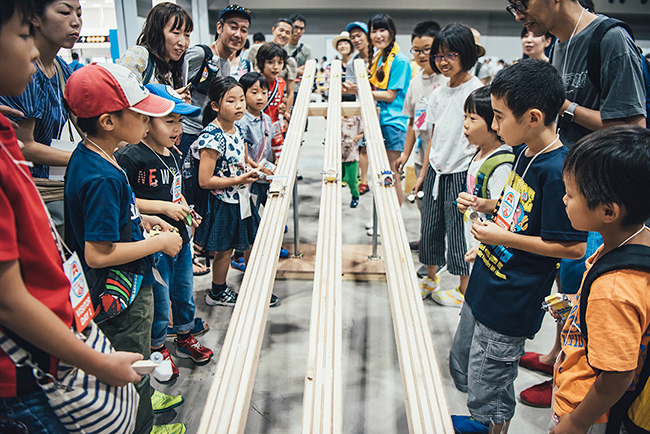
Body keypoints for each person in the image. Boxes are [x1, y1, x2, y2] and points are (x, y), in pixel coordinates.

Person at [0, 3, 142, 433]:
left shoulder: (9, 131)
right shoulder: (97, 169)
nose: (30, 51)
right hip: (30, 375)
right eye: (22, 34)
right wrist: (97, 363)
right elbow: (9, 299)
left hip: (56, 341)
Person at [509, 0, 647, 407]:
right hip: (571, 186)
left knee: (582, 285)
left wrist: (564, 107)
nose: (519, 16)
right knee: (567, 288)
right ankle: (557, 357)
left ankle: (575, 381)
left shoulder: (610, 39)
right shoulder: (561, 42)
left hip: (597, 194)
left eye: (522, 3)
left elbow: (631, 130)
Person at [448, 59, 588, 434]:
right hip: (487, 280)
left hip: (512, 299)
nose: (494, 125)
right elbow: (519, 210)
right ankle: (480, 419)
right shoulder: (525, 153)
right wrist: (484, 207)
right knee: (470, 365)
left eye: (498, 116)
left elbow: (571, 247)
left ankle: (488, 426)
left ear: (533, 117)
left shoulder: (557, 170)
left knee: (491, 380)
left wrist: (500, 239)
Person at [64, 62, 186, 434]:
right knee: (130, 358)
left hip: (126, 284)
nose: (148, 123)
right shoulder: (101, 176)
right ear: (108, 121)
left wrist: (142, 221)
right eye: (139, 115)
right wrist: (161, 243)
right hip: (120, 293)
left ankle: (145, 398)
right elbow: (97, 253)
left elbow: (109, 219)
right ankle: (143, 424)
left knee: (139, 357)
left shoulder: (95, 157)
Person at [550, 125, 650, 434]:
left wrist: (577, 423)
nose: (564, 200)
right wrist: (576, 310)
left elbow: (618, 373)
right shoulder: (633, 242)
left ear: (608, 211)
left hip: (588, 411)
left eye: (571, 194)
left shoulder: (614, 289)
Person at [115, 84, 214, 382]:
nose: (178, 128)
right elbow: (126, 198)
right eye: (169, 121)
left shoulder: (172, 152)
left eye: (180, 121)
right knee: (159, 297)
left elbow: (176, 191)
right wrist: (163, 208)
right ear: (146, 122)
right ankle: (158, 346)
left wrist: (185, 209)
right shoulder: (132, 157)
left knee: (183, 291)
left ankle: (184, 333)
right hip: (153, 243)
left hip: (180, 239)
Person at [191, 77, 278, 308]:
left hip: (242, 197)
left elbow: (245, 158)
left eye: (241, 99)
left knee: (252, 241)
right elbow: (204, 180)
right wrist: (238, 179)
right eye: (231, 101)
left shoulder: (237, 128)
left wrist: (261, 168)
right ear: (215, 106)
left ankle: (253, 285)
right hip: (224, 202)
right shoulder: (211, 138)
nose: (239, 105)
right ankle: (217, 291)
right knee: (224, 250)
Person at [411, 23, 482, 305]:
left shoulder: (477, 91)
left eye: (450, 54)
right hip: (436, 171)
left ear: (465, 54)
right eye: (439, 55)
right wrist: (423, 172)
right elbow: (433, 136)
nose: (443, 61)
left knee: (459, 231)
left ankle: (464, 288)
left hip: (462, 172)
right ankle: (430, 276)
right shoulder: (438, 93)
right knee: (429, 227)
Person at [0, 0, 82, 233]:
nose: (75, 22)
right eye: (64, 12)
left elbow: (83, 123)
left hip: (58, 187)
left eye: (79, 13)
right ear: (34, 18)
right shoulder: (23, 75)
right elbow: (25, 146)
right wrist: (87, 156)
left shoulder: (61, 68)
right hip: (37, 191)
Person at [343, 13, 411, 205]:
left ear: (392, 32)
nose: (378, 35)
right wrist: (356, 88)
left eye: (383, 30)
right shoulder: (380, 57)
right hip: (378, 119)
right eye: (375, 31)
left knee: (392, 173)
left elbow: (390, 95)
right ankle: (384, 219)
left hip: (393, 123)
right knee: (382, 173)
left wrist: (361, 89)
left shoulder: (399, 60)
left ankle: (394, 221)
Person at [395, 20, 446, 253]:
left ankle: (435, 252)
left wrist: (425, 167)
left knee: (439, 210)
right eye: (416, 50)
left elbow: (438, 129)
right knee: (423, 205)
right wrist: (406, 153)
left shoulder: (445, 81)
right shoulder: (416, 82)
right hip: (420, 154)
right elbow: (412, 122)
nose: (421, 55)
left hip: (442, 159)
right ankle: (428, 243)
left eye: (427, 49)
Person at [179, 4, 251, 162]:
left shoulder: (226, 63)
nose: (238, 34)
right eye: (233, 27)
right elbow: (174, 85)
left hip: (208, 135)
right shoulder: (200, 55)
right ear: (219, 27)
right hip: (186, 135)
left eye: (243, 30)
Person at [456, 87, 513, 266]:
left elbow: (504, 208)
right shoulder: (479, 152)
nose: (466, 124)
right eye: (465, 117)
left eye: (473, 119)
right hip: (476, 236)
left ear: (494, 123)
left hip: (491, 244)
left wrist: (475, 202)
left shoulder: (501, 164)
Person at [118, 2, 192, 99]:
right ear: (157, 32)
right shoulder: (139, 54)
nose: (183, 43)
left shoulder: (169, 69)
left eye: (187, 35)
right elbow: (122, 98)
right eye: (176, 33)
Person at [344, 21, 371, 195]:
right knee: (362, 146)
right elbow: (349, 88)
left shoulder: (380, 58)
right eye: (352, 37)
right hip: (361, 108)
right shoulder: (352, 63)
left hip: (381, 107)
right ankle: (364, 179)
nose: (355, 39)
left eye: (359, 35)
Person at [247, 18, 298, 110]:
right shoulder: (254, 50)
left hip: (274, 107)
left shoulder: (290, 62)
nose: (283, 35)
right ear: (273, 30)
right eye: (281, 30)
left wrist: (286, 114)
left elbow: (290, 93)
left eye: (287, 32)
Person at [256, 43, 288, 160]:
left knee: (278, 162)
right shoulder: (255, 82)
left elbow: (279, 104)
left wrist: (283, 111)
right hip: (258, 129)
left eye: (279, 63)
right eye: (270, 62)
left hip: (276, 129)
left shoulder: (281, 82)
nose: (276, 67)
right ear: (261, 63)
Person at [286, 14, 313, 103]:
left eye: (301, 29)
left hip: (301, 90)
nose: (298, 31)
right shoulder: (282, 48)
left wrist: (289, 71)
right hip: (284, 91)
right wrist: (299, 71)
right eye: (296, 27)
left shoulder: (306, 49)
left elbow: (310, 70)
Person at [341, 116, 363, 208]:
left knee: (352, 179)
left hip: (352, 154)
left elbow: (363, 132)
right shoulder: (338, 116)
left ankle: (355, 196)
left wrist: (359, 136)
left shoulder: (357, 118)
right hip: (338, 153)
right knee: (336, 177)